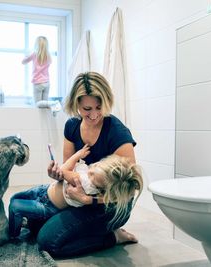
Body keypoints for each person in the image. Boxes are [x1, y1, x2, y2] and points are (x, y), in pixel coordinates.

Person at [32, 71, 138, 257]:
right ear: (76, 104)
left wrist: (90, 200)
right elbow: (69, 169)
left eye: (99, 107)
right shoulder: (72, 126)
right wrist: (59, 174)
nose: (95, 115)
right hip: (78, 199)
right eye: (87, 109)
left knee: (48, 243)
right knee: (33, 225)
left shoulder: (117, 133)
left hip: (110, 205)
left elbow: (129, 190)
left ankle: (113, 237)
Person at [8, 144, 143, 240]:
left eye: (93, 177)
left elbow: (63, 170)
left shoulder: (86, 183)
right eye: (96, 166)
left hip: (47, 206)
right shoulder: (93, 175)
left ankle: (12, 236)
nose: (89, 172)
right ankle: (22, 222)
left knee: (15, 206)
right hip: (44, 190)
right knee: (15, 198)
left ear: (100, 186)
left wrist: (77, 156)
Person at [22, 36, 61, 116]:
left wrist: (27, 55)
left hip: (38, 83)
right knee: (45, 105)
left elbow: (23, 62)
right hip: (47, 83)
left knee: (38, 104)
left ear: (37, 45)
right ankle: (53, 108)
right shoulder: (48, 56)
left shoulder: (34, 54)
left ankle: (53, 103)